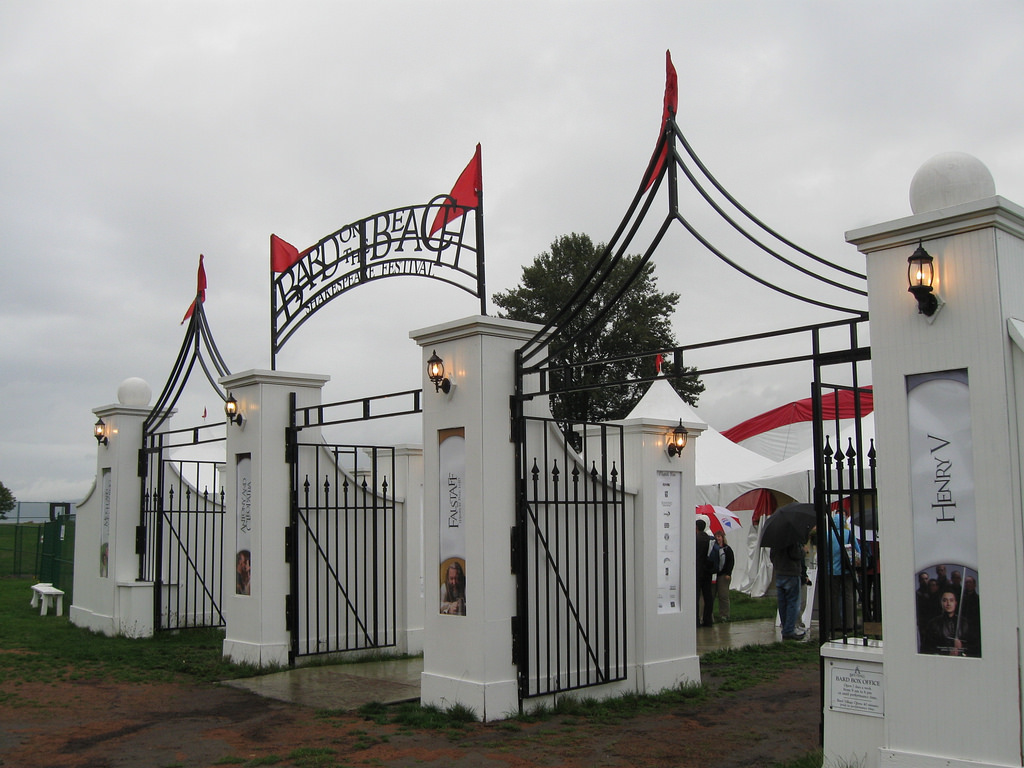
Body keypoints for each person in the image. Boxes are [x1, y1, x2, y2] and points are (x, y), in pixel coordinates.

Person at [770, 532, 810, 640]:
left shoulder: (775, 538)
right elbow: (795, 554)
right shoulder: (792, 537)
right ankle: (789, 630)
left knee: (782, 603)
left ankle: (786, 628)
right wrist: (803, 551)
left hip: (779, 574)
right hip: (791, 573)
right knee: (793, 603)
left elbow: (772, 556)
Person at [828, 510, 860, 633]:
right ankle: (849, 623)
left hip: (832, 570)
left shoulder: (827, 534)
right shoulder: (848, 534)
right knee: (848, 595)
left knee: (833, 596)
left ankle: (834, 622)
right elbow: (857, 551)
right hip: (846, 569)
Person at [921, 589, 976, 656]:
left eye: (951, 600)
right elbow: (926, 649)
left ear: (956, 603)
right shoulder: (933, 624)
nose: (948, 604)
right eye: (945, 600)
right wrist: (947, 653)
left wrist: (962, 646)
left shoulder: (965, 623)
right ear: (941, 602)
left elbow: (974, 647)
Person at [695, 518, 715, 627]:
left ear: (696, 527)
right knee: (708, 596)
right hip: (708, 570)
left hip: (698, 571)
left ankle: (696, 620)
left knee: (696, 596)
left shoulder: (695, 539)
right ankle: (708, 620)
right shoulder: (710, 539)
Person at [713, 530, 735, 622]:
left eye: (719, 536)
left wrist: (728, 573)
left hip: (723, 575)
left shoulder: (727, 549)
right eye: (716, 536)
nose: (718, 538)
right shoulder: (713, 548)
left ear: (722, 538)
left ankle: (724, 615)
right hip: (714, 575)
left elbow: (731, 562)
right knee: (711, 595)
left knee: (723, 595)